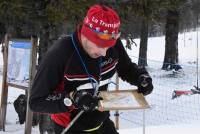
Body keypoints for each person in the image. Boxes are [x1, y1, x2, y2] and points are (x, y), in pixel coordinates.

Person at [29, 4, 153, 134]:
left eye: (108, 46)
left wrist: (140, 78)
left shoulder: (111, 44)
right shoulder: (61, 53)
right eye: (100, 45)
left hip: (101, 121)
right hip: (71, 126)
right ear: (86, 34)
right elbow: (36, 101)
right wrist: (73, 99)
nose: (105, 53)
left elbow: (126, 68)